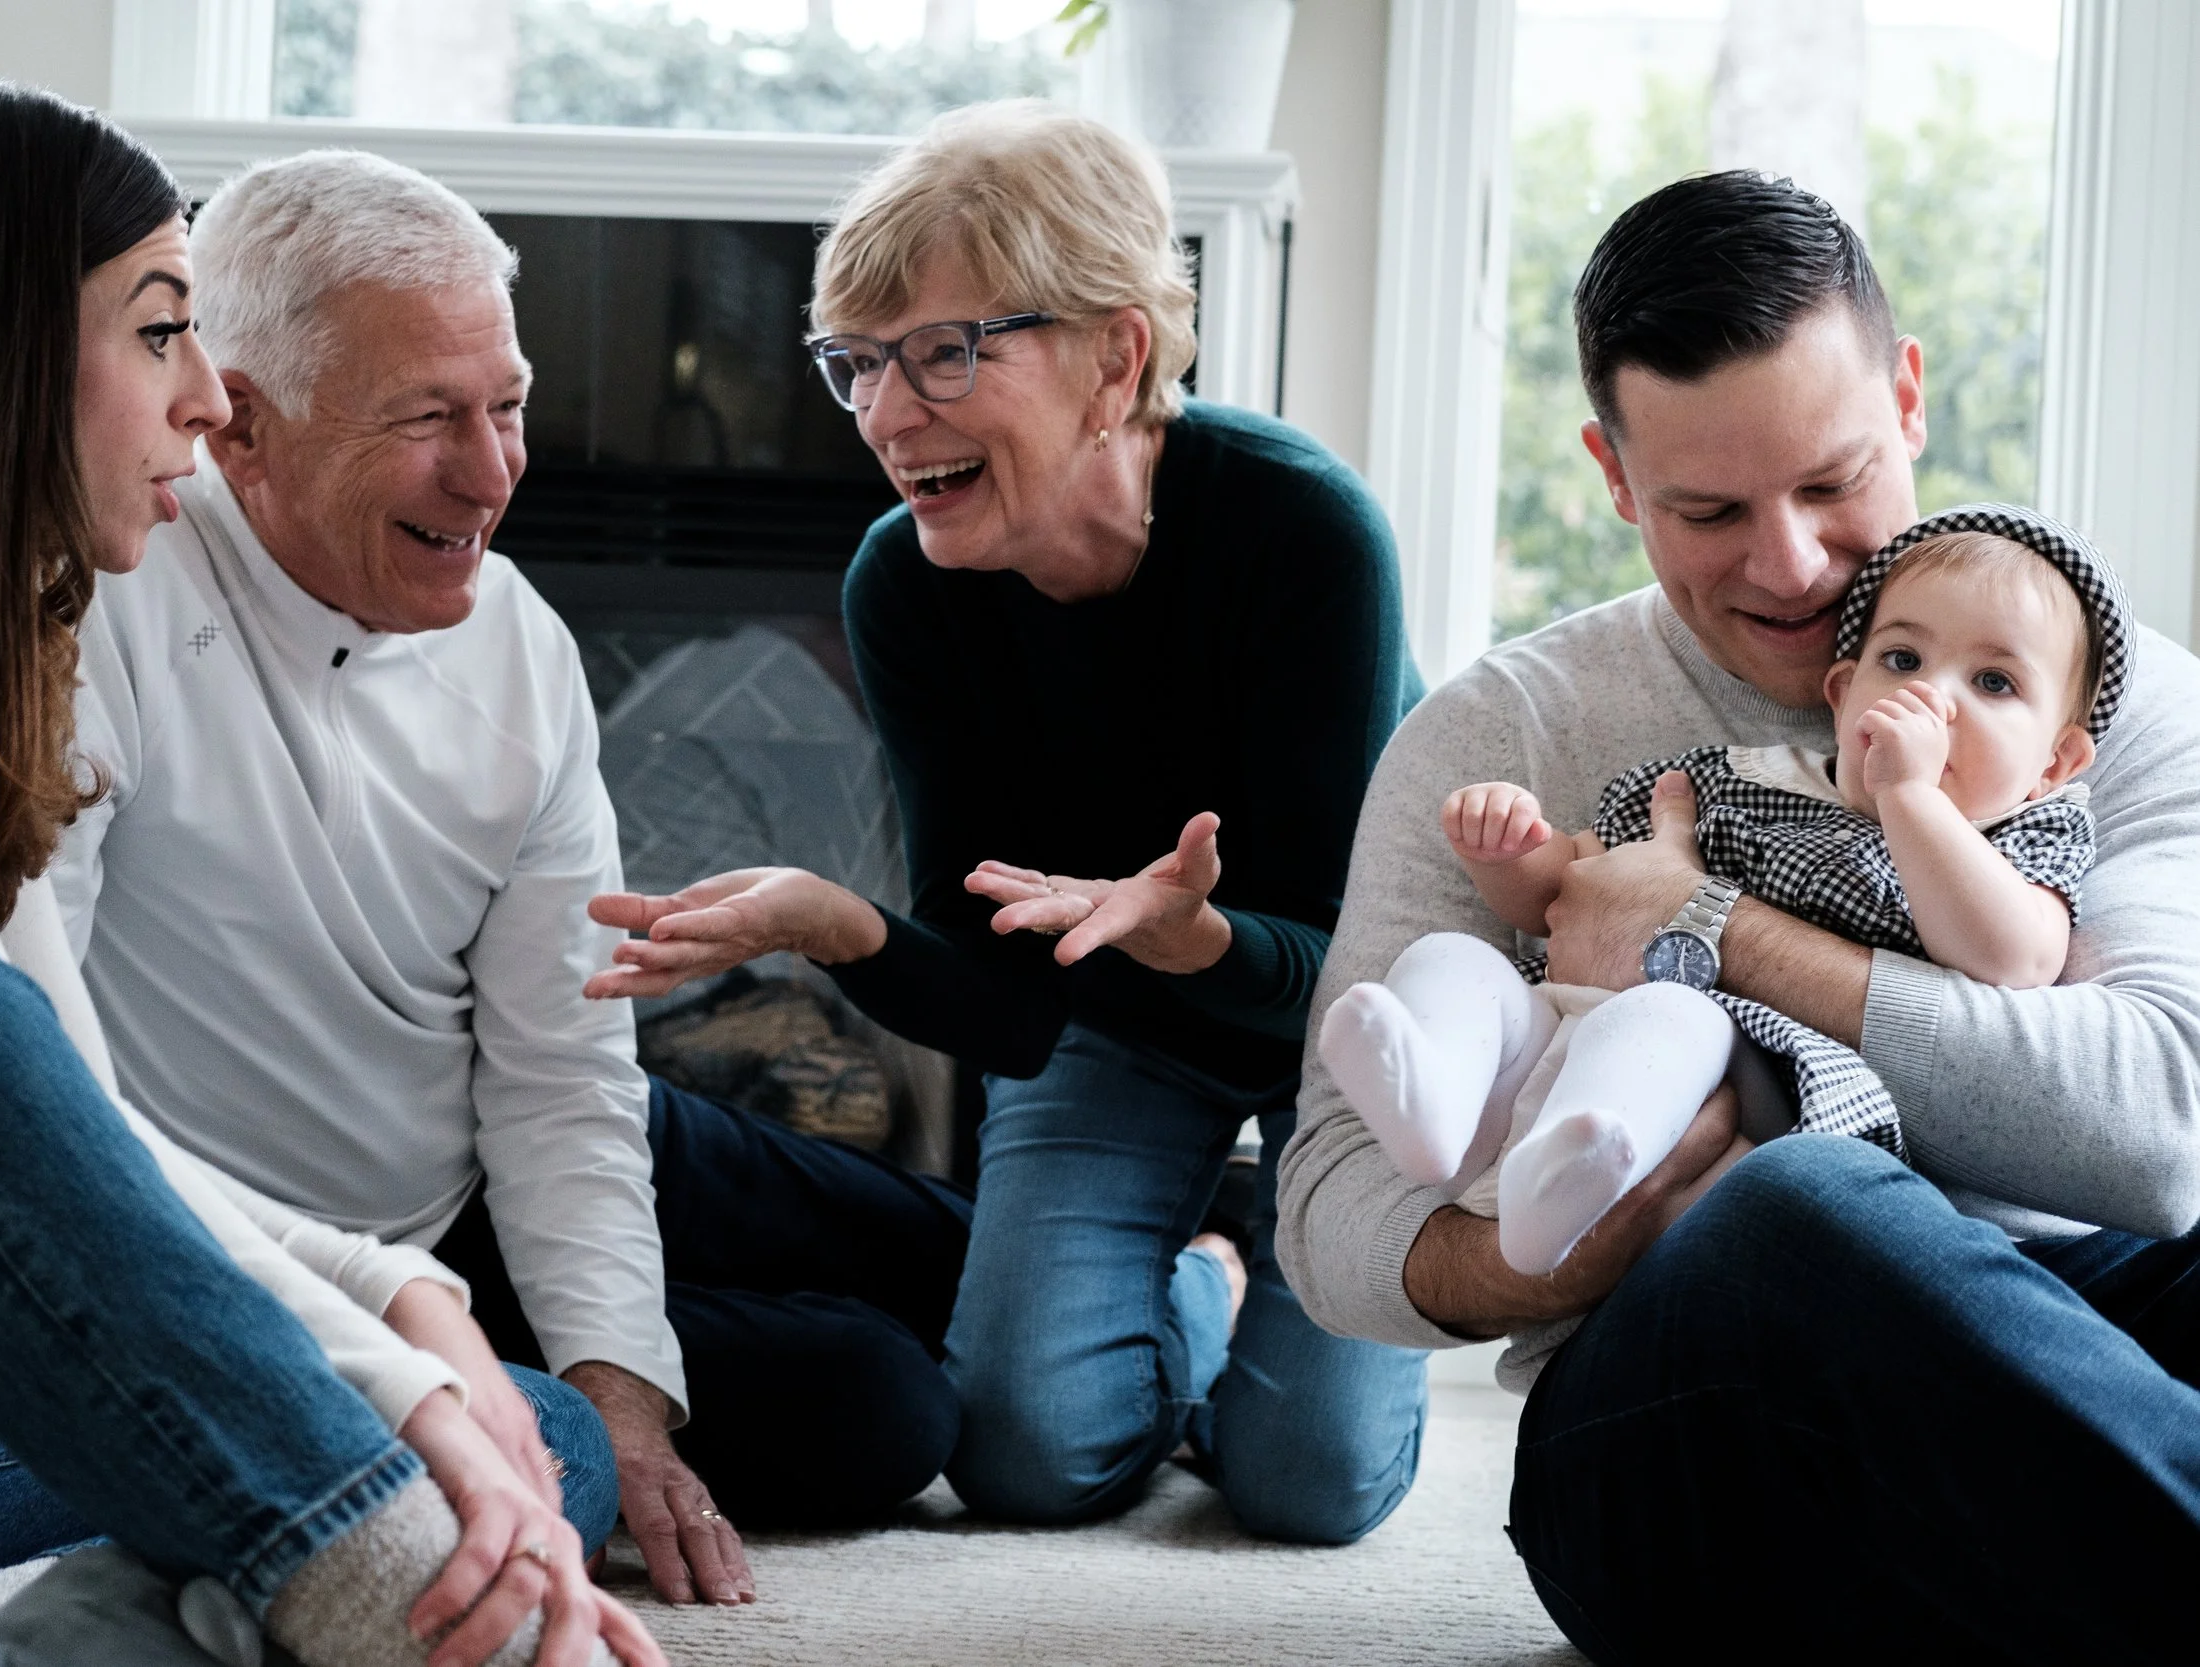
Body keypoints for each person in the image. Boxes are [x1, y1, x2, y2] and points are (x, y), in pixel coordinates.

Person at [0, 80, 658, 1667]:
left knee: (528, 1434)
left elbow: (67, 1104)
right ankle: (366, 1580)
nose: (211, 399)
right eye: (160, 331)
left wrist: (400, 1301)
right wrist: (384, 1382)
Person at [1277, 169, 2200, 1662]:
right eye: (1710, 508)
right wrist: (1581, 1227)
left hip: (2073, 1329)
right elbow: (1326, 1218)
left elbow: (2162, 1134)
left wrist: (1714, 923)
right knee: (1799, 1203)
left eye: (1834, 484)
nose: (1790, 565)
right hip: (1693, 1421)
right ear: (1613, 472)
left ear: (1905, 397)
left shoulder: (2106, 695)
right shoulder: (1498, 734)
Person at [41, 146, 971, 1608]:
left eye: (511, 404)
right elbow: (41, 1083)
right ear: (243, 431)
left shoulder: (522, 645)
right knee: (884, 1406)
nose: (493, 473)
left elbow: (560, 1073)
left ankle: (1192, 1259)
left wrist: (628, 1401)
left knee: (940, 1253)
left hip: (496, 1122)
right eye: (428, 419)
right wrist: (571, 1400)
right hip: (302, 1255)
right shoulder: (99, 603)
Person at [585, 101, 1430, 1545]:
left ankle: (1231, 1275)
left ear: (1116, 358)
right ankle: (1203, 1274)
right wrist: (834, 924)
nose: (886, 413)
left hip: (1346, 1016)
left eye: (948, 351)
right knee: (1024, 1454)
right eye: (857, 361)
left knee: (1317, 1480)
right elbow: (1003, 1005)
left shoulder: (1303, 533)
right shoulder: (905, 584)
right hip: (1104, 1016)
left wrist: (1192, 933)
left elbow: (1346, 960)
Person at [1325, 513, 2117, 1277]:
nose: (1931, 701)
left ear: (2055, 762)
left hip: (1728, 1098)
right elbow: (1578, 888)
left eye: (1992, 681)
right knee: (1450, 957)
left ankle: (1566, 1185)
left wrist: (1910, 797)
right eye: (1904, 660)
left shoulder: (2021, 838)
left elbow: (2015, 958)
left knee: (1674, 1016)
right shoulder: (1734, 779)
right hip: (1558, 1047)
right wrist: (1510, 852)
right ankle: (1435, 1100)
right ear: (1842, 695)